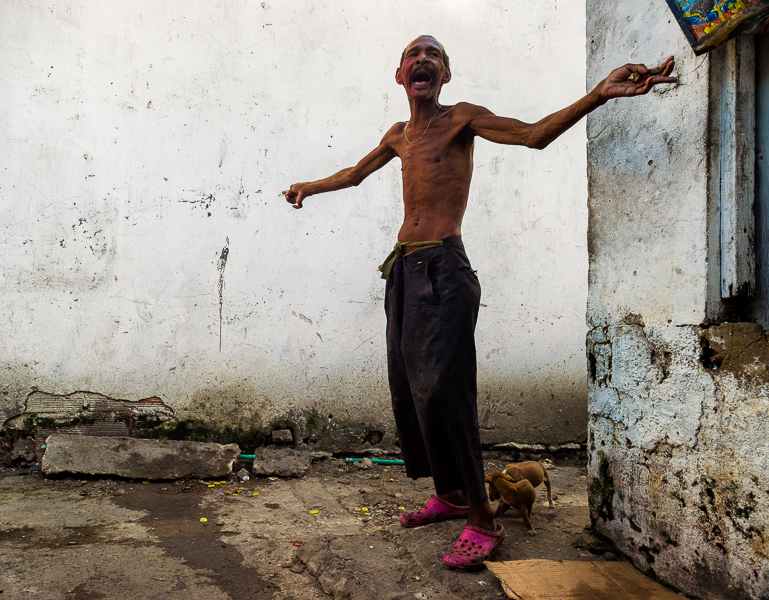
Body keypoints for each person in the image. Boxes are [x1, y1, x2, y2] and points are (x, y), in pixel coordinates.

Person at [282, 35, 676, 570]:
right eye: (414, 55)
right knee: (411, 388)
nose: (424, 60)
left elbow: (534, 136)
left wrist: (599, 95)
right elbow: (353, 175)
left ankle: (483, 520)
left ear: (445, 75)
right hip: (404, 269)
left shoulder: (461, 118)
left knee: (446, 393)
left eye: (435, 55)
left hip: (445, 267)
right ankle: (450, 495)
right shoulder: (397, 135)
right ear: (400, 76)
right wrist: (310, 185)